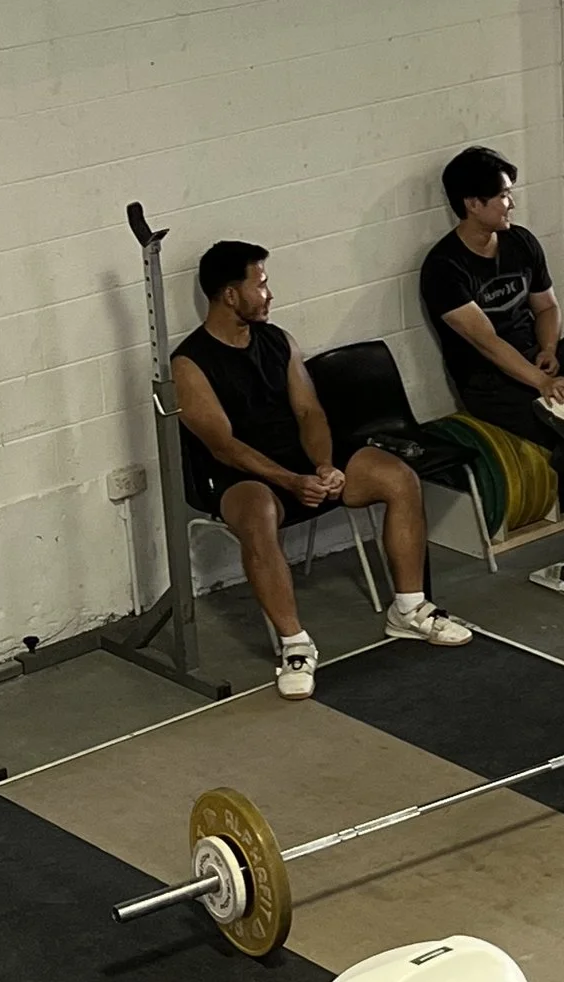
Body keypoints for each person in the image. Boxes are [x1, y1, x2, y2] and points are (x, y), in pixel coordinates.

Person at [173, 242, 470, 698]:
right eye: (262, 284)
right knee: (258, 516)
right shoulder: (189, 363)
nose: (269, 294)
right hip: (241, 475)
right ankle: (295, 645)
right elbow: (224, 445)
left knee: (398, 477)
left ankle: (408, 610)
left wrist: (324, 466)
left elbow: (310, 412)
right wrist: (292, 482)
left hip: (300, 462)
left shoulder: (278, 341)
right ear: (230, 295)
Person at [418, 148, 564, 560]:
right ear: (473, 204)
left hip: (537, 359)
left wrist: (550, 351)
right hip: (489, 381)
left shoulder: (520, 242)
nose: (512, 203)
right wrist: (542, 382)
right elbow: (487, 342)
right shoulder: (444, 268)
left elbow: (547, 307)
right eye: (503, 195)